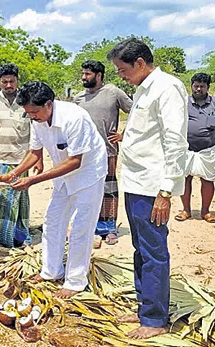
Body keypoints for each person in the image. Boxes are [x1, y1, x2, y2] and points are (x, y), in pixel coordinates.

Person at [0, 82, 107, 298]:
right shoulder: (37, 119)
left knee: (81, 228)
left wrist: (33, 181)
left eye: (35, 112)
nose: (32, 117)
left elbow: (75, 161)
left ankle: (75, 281)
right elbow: (34, 153)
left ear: (48, 104)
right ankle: (51, 271)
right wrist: (13, 174)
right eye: (28, 113)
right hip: (62, 175)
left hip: (88, 174)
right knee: (52, 221)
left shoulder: (75, 118)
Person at [107, 38, 188, 339]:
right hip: (135, 182)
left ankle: (155, 320)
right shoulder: (143, 90)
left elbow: (175, 141)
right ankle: (145, 306)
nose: (121, 76)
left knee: (154, 251)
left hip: (153, 187)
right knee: (140, 248)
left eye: (123, 70)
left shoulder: (167, 88)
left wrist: (166, 191)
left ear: (140, 63)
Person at [0, 63, 42, 248]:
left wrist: (38, 158)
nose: (8, 85)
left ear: (17, 81)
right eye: (4, 82)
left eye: (12, 81)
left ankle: (16, 236)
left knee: (17, 201)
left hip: (20, 160)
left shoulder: (26, 102)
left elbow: (37, 130)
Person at [74, 60, 133, 248]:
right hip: (84, 152)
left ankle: (109, 228)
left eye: (87, 74)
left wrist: (123, 134)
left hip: (108, 150)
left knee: (109, 189)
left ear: (99, 75)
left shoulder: (113, 92)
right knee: (87, 189)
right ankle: (90, 227)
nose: (84, 77)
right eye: (83, 73)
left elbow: (136, 112)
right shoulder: (78, 98)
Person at [175, 73, 215, 223]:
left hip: (208, 149)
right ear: (191, 86)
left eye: (202, 86)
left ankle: (205, 212)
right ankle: (186, 210)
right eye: (196, 86)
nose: (198, 89)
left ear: (207, 88)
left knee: (207, 179)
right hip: (186, 148)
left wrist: (209, 137)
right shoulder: (183, 103)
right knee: (185, 178)